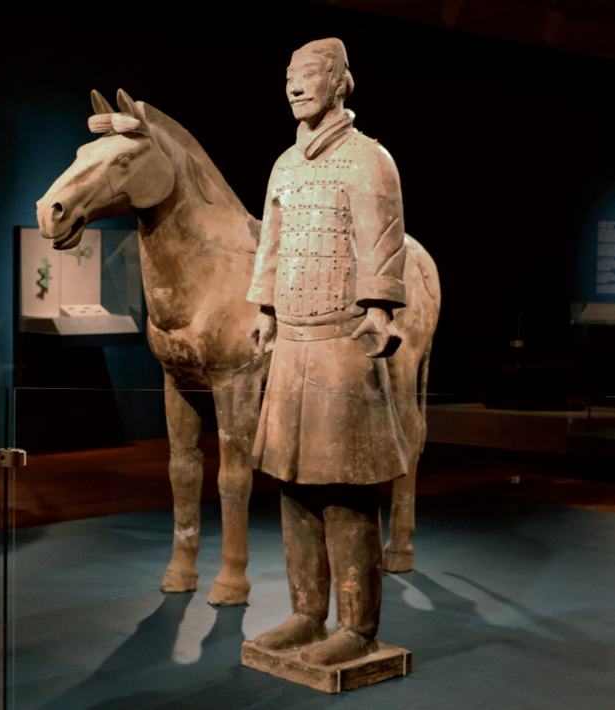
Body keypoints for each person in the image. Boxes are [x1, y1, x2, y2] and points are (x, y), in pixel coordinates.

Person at [248, 38, 409, 666]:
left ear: (341, 83)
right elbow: (273, 244)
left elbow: (383, 242)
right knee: (291, 484)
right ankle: (306, 614)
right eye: (288, 76)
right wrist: (264, 309)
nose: (294, 86)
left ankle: (357, 626)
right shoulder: (284, 166)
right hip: (291, 342)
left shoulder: (370, 161)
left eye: (308, 75)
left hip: (343, 343)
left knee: (345, 489)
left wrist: (379, 309)